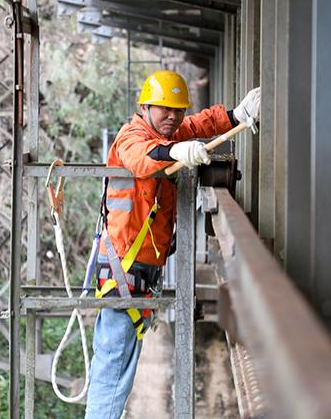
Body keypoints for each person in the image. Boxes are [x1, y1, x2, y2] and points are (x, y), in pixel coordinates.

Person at [84, 70, 261, 418]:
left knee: (121, 363)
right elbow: (142, 158)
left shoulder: (170, 130)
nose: (173, 117)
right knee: (113, 363)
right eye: (164, 109)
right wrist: (175, 150)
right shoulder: (133, 136)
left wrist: (236, 116)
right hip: (124, 269)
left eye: (177, 110)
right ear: (146, 107)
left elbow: (199, 125)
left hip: (141, 270)